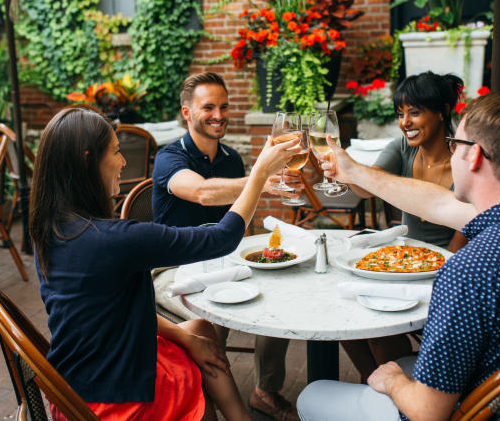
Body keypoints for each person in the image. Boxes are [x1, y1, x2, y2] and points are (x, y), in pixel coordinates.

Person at [297, 93, 500, 420]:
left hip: (479, 410)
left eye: (455, 143)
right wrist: (354, 172)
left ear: (475, 157)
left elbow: (428, 413)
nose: (450, 151)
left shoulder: (468, 272)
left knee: (313, 394)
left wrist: (395, 382)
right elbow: (437, 204)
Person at [30, 106, 301, 421]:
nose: (123, 162)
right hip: (115, 404)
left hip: (78, 384)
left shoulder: (52, 229)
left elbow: (113, 313)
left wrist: (185, 337)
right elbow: (222, 238)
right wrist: (260, 174)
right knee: (193, 382)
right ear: (88, 161)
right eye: (116, 152)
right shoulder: (114, 240)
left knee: (199, 330)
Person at [152, 72, 301, 421]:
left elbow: (237, 218)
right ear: (187, 112)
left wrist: (266, 184)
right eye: (208, 107)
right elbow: (202, 192)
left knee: (278, 298)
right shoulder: (168, 157)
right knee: (208, 325)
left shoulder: (231, 158)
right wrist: (261, 178)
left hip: (223, 261)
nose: (219, 114)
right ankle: (208, 402)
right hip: (173, 269)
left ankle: (266, 390)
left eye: (224, 106)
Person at [342, 71, 468, 382]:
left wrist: (429, 280)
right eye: (401, 114)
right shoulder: (402, 148)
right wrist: (339, 165)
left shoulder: (464, 159)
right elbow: (365, 188)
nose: (405, 122)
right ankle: (378, 386)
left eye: (415, 112)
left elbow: (462, 239)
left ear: (441, 112)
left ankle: (403, 390)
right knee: (346, 320)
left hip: (448, 270)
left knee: (376, 328)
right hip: (406, 263)